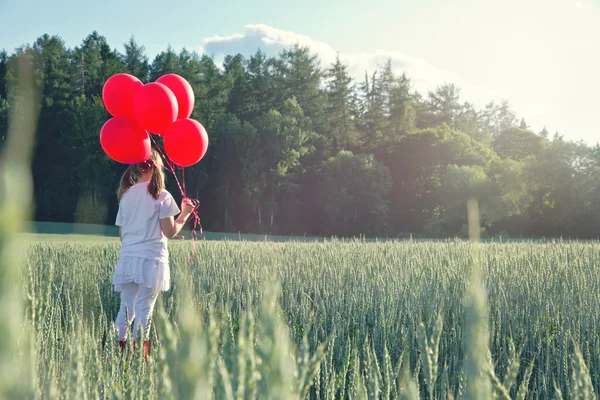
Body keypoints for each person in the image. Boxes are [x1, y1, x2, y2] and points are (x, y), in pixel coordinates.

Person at [113, 149, 195, 359]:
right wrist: (184, 215)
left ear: (134, 170)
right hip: (151, 261)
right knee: (144, 311)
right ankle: (140, 359)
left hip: (128, 259)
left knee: (126, 310)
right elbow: (168, 232)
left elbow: (124, 235)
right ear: (159, 167)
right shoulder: (162, 195)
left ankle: (116, 355)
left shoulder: (126, 195)